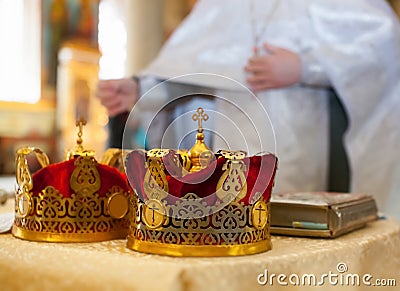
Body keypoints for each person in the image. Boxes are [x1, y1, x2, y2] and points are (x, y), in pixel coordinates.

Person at [97, 0, 400, 222]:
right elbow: (195, 68)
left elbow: (381, 45)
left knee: (294, 238)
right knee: (232, 230)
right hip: (229, 145)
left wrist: (307, 68)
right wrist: (144, 89)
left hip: (303, 150)